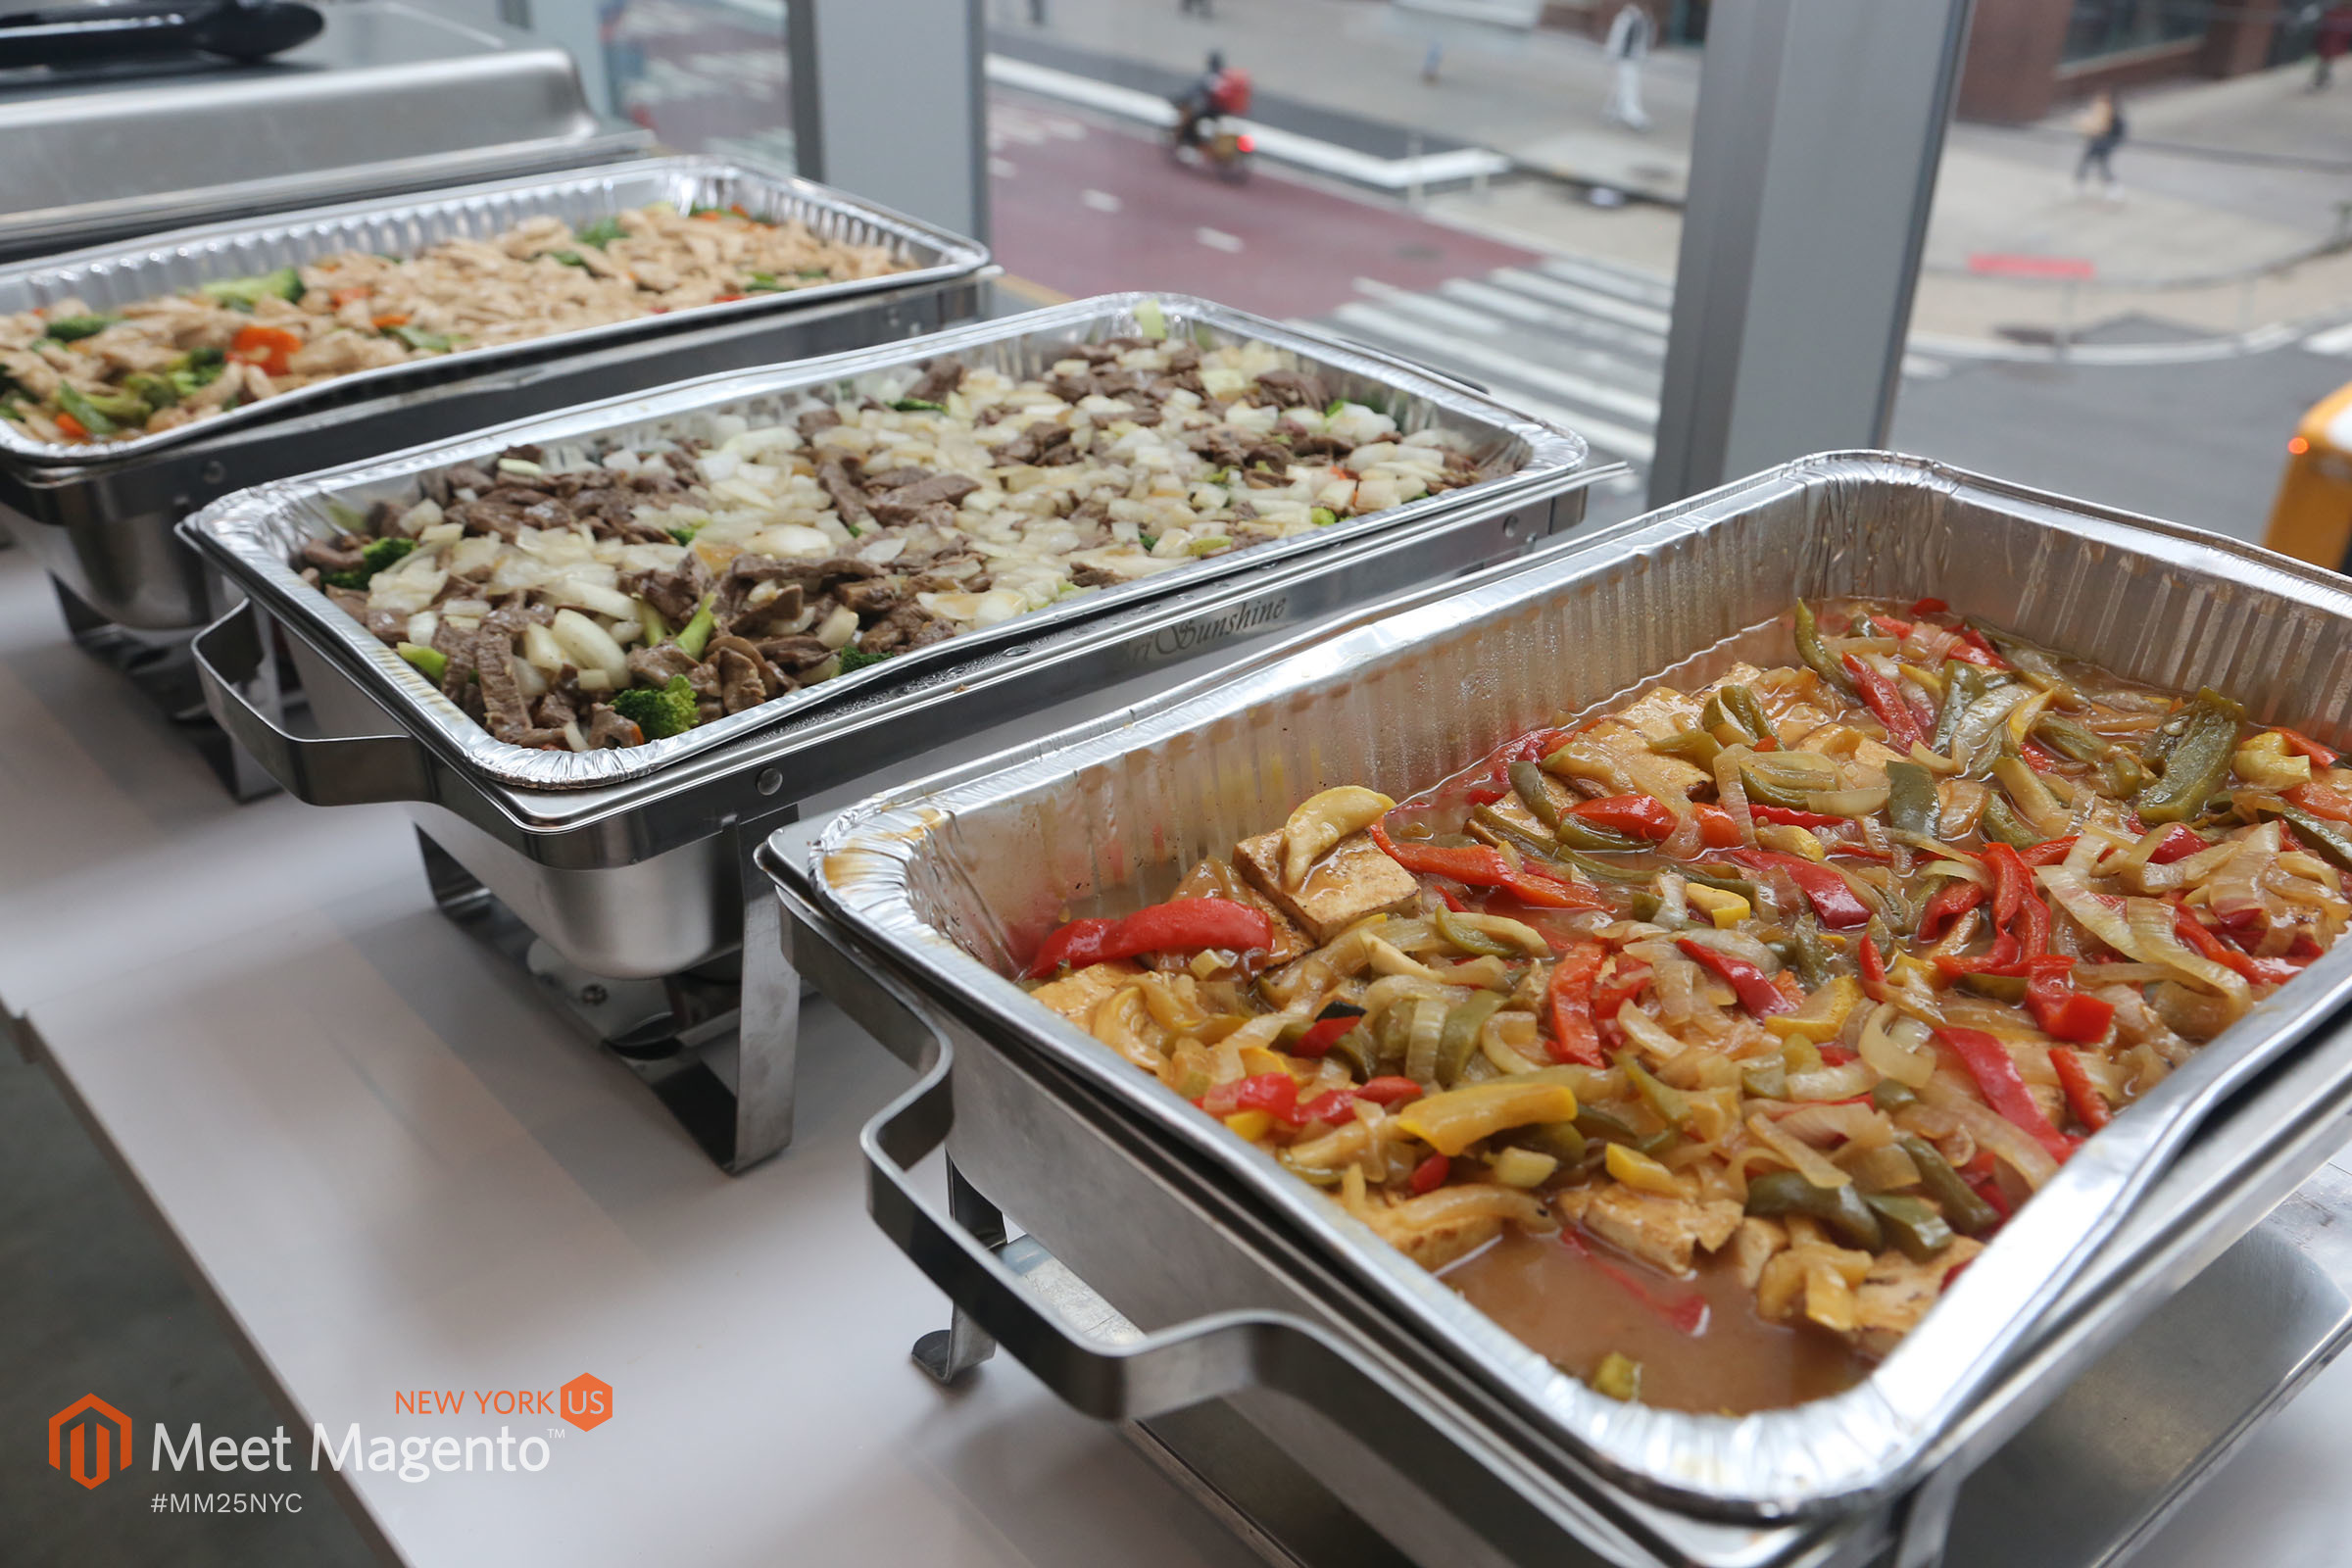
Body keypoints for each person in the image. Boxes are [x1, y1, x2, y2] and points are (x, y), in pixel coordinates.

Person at [1603, 3, 1653, 132]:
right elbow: (1617, 38)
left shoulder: (1642, 19)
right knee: (1627, 86)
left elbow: (1641, 42)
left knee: (1620, 86)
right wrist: (1612, 55)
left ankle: (1613, 111)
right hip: (1625, 59)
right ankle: (1631, 115)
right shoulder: (1627, 19)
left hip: (1631, 59)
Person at [2074, 90, 2126, 201]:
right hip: (2098, 142)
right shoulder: (2106, 112)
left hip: (2104, 143)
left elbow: (2103, 129)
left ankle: (2113, 187)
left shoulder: (2112, 115)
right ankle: (2081, 184)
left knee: (2099, 164)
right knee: (2090, 163)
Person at [1174, 50, 1226, 150]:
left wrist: (1181, 98)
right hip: (1221, 111)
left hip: (1210, 110)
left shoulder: (1210, 77)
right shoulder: (1223, 77)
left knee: (1191, 120)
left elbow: (1194, 91)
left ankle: (1192, 142)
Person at [2315, 4, 2352, 88]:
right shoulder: (2334, 12)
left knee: (2326, 60)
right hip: (2329, 43)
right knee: (2325, 60)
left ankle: (2323, 78)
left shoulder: (2346, 14)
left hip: (2334, 43)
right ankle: (2322, 78)